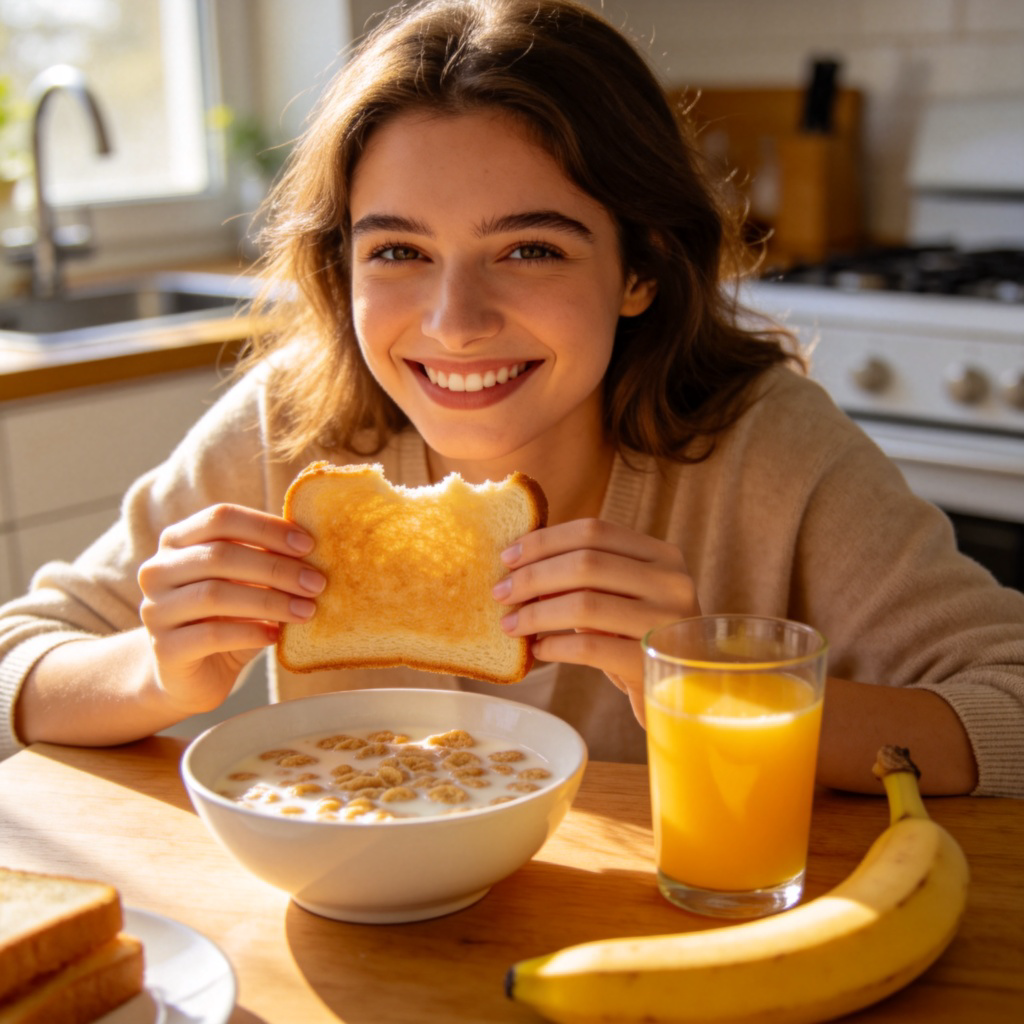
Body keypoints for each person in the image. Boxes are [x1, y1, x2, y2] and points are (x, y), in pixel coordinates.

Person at [1, 0, 1021, 797]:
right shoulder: (294, 427)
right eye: (397, 250)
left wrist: (705, 688)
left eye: (529, 248)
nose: (453, 321)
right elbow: (17, 659)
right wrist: (157, 674)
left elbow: (1009, 711)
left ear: (640, 269)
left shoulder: (763, 449)